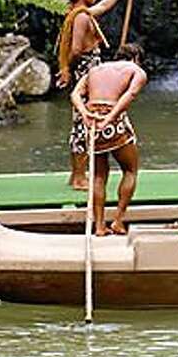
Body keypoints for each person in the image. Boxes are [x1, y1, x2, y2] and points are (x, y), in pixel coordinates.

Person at [56, 0, 138, 189]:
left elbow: (102, 7)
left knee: (84, 123)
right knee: (83, 123)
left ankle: (79, 175)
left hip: (89, 68)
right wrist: (68, 69)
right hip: (86, 69)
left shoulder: (82, 13)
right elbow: (75, 49)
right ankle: (78, 177)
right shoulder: (81, 17)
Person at [70, 43, 147, 236]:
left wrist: (85, 114)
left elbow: (75, 94)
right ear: (136, 58)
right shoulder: (137, 70)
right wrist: (110, 117)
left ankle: (99, 226)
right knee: (130, 170)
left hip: (92, 120)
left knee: (98, 176)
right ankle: (118, 221)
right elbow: (130, 94)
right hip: (110, 120)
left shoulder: (95, 69)